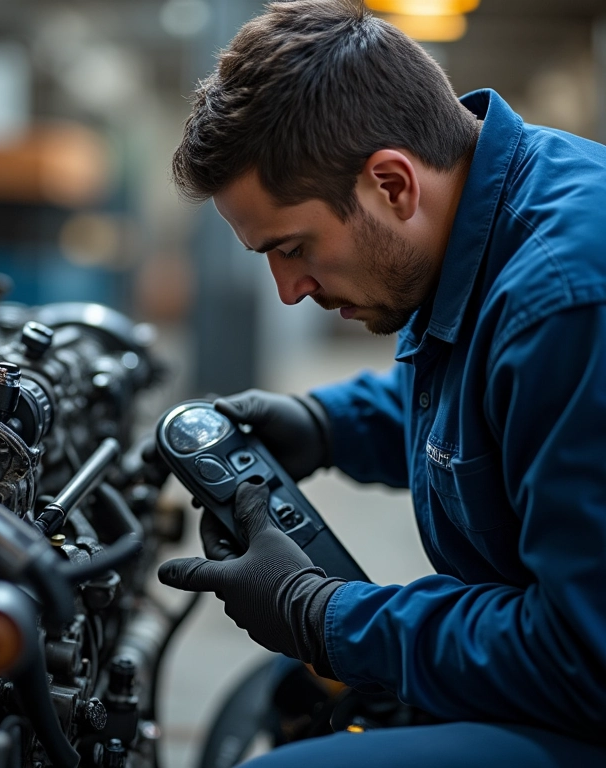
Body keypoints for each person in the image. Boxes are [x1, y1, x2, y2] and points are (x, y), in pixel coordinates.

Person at [157, 1, 606, 765]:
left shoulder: (565, 301)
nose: (288, 290)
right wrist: (326, 424)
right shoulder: (485, 223)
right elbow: (490, 407)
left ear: (392, 184)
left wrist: (328, 616)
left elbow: (584, 654)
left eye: (294, 247)